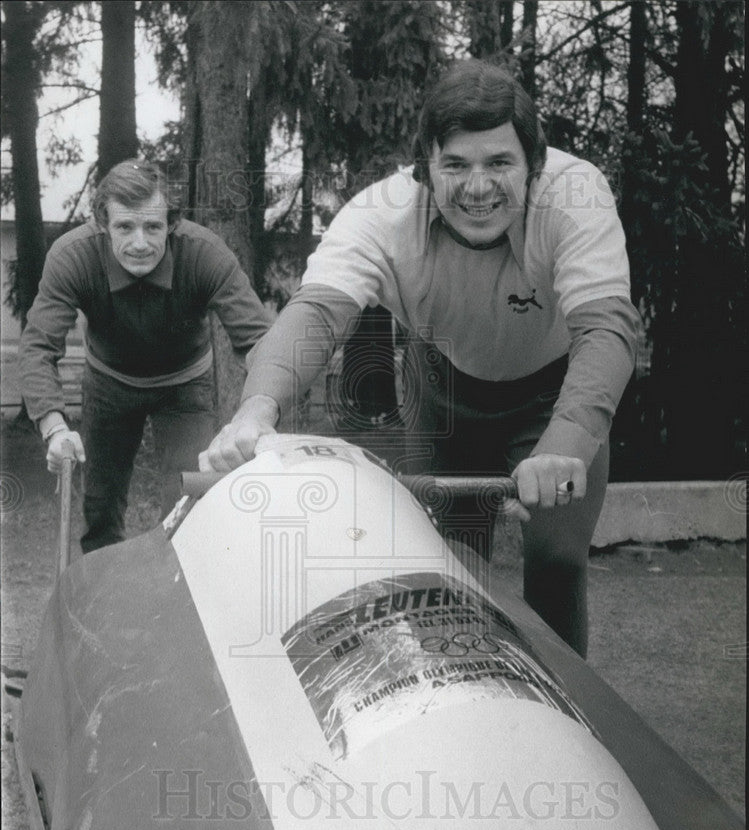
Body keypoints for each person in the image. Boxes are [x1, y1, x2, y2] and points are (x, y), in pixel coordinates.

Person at [199, 60, 642, 658]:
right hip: (442, 392)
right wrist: (255, 411)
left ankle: (569, 714)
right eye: (455, 165)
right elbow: (314, 318)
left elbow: (607, 331)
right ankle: (453, 695)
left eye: (499, 164)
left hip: (554, 391)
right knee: (448, 563)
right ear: (425, 167)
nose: (478, 187)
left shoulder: (577, 194)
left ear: (534, 166)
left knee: (558, 559)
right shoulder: (379, 214)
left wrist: (565, 442)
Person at [20, 159, 271, 553]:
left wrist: (261, 411)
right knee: (99, 508)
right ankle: (104, 606)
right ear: (103, 224)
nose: (140, 243)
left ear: (171, 224)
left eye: (153, 227)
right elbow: (37, 347)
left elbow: (258, 341)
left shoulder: (205, 253)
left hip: (184, 388)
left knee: (191, 504)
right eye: (125, 227)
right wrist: (54, 427)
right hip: (109, 385)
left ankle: (180, 602)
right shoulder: (72, 257)